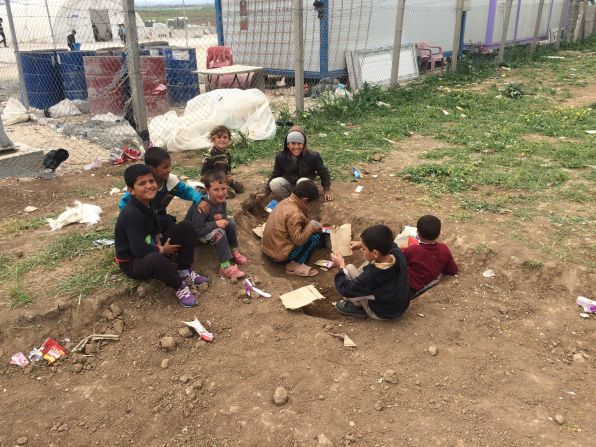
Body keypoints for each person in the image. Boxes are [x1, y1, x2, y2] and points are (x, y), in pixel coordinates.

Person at [115, 164, 206, 308]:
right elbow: (138, 249)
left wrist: (158, 238)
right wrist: (161, 249)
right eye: (142, 183)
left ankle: (184, 271)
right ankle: (179, 286)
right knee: (157, 259)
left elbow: (154, 224)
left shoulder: (147, 202)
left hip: (150, 246)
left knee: (186, 227)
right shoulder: (131, 214)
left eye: (151, 181)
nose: (149, 186)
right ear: (131, 190)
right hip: (133, 261)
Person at [118, 147, 211, 233]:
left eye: (170, 166)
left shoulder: (170, 182)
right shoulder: (140, 188)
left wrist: (199, 199)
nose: (170, 170)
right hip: (143, 222)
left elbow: (186, 191)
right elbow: (124, 203)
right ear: (151, 169)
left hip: (160, 219)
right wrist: (132, 221)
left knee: (180, 231)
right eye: (165, 167)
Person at [331, 224, 409, 320]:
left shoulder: (371, 275)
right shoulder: (397, 253)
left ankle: (357, 305)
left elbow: (345, 289)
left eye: (363, 248)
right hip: (399, 305)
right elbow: (390, 243)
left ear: (375, 253)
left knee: (349, 268)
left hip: (381, 312)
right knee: (369, 263)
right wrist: (361, 243)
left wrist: (341, 265)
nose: (361, 249)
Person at [185, 170, 247, 279]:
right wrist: (216, 223)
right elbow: (196, 230)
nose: (221, 193)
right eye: (216, 190)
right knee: (219, 232)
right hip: (195, 236)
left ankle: (233, 251)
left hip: (208, 229)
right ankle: (225, 267)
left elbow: (224, 214)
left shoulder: (222, 201)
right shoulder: (202, 206)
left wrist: (222, 217)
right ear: (207, 190)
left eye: (223, 188)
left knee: (231, 222)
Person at [261, 179, 322, 277]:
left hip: (268, 248)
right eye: (309, 203)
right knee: (315, 237)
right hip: (279, 254)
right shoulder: (295, 213)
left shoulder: (286, 201)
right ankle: (295, 264)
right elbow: (298, 240)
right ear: (305, 200)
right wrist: (311, 227)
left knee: (309, 230)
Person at [256, 126, 333, 202]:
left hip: (305, 186)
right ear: (288, 144)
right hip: (289, 184)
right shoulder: (281, 156)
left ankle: (299, 201)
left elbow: (323, 172)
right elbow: (275, 174)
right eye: (293, 143)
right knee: (274, 183)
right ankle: (290, 200)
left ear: (304, 144)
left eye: (299, 143)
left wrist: (327, 190)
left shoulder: (313, 156)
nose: (296, 147)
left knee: (302, 181)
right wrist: (266, 193)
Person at [402, 215, 458, 299]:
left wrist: (402, 249)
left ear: (417, 233)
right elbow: (453, 270)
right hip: (423, 285)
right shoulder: (444, 249)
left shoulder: (413, 250)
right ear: (439, 234)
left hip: (407, 287)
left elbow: (398, 260)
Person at [200, 125, 244, 198]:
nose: (222, 140)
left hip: (223, 180)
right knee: (231, 194)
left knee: (240, 188)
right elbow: (203, 176)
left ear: (229, 139)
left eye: (225, 137)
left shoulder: (227, 153)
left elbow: (228, 168)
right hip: (212, 181)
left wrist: (229, 177)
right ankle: (206, 190)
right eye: (219, 137)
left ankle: (221, 188)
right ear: (213, 139)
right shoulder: (209, 155)